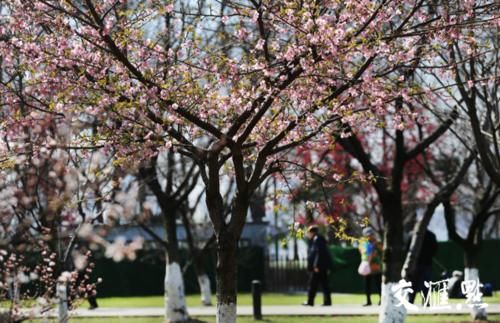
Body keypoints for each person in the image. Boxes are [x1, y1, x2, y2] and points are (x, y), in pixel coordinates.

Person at [303, 225, 332, 306]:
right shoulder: (317, 239)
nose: (307, 234)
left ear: (312, 232)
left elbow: (319, 253)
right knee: (323, 284)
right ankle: (327, 301)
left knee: (313, 284)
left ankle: (310, 301)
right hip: (321, 266)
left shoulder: (318, 239)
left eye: (308, 232)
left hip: (319, 267)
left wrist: (316, 265)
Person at [408, 229, 438, 304]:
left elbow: (407, 249)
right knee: (426, 285)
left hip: (415, 264)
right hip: (427, 264)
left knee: (413, 284)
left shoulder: (412, 235)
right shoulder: (431, 235)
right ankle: (426, 302)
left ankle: (411, 301)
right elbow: (435, 249)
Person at [358, 227, 382, 306]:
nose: (369, 236)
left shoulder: (377, 243)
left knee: (378, 284)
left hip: (375, 266)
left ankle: (381, 300)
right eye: (367, 235)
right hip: (366, 267)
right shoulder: (362, 243)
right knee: (367, 284)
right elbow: (361, 252)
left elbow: (382, 251)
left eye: (371, 234)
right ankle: (368, 301)